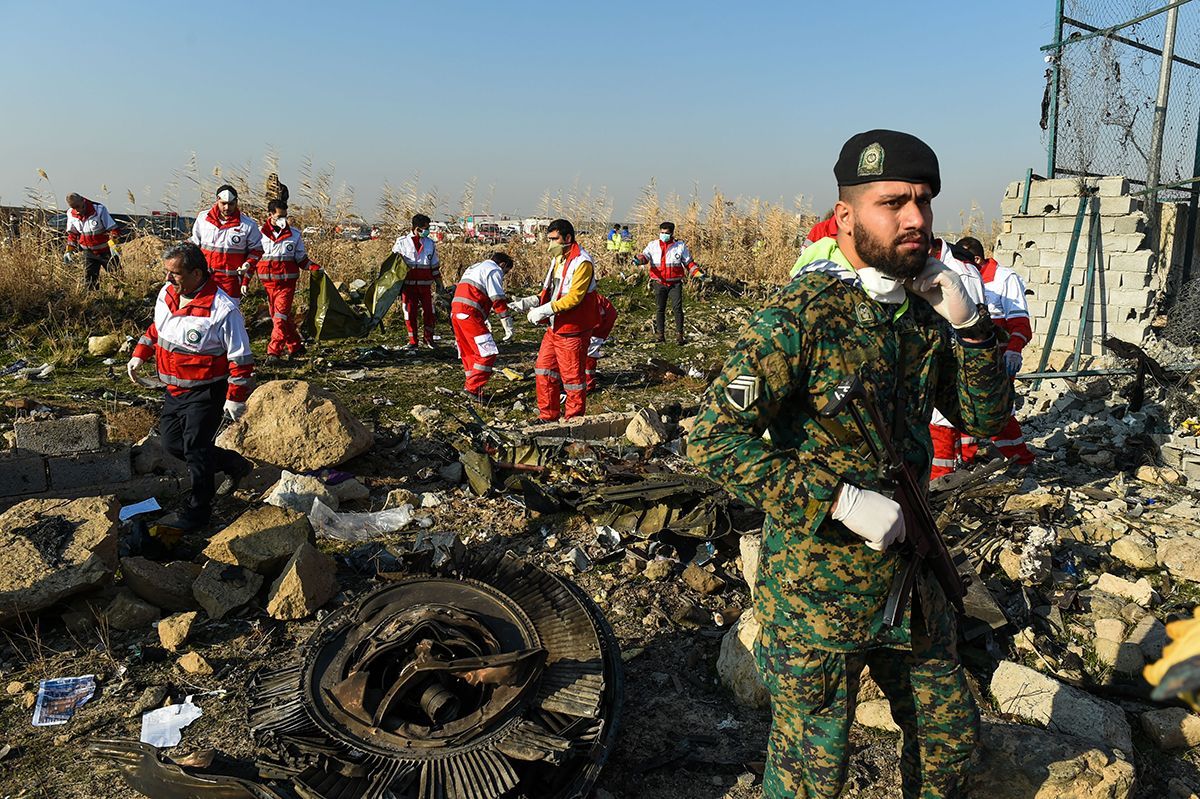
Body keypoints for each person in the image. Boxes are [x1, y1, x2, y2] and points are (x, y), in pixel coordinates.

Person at [687, 130, 1012, 799]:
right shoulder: (799, 319)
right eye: (893, 203)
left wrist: (975, 327)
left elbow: (982, 419)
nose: (917, 217)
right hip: (816, 592)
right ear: (846, 219)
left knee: (949, 735)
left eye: (924, 201)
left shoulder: (924, 318)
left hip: (911, 577)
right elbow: (714, 438)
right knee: (813, 772)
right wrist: (836, 498)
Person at [128, 242, 254, 531]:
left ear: (197, 273)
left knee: (196, 449)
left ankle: (199, 512)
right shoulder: (168, 293)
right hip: (173, 389)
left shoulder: (223, 310)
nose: (168, 279)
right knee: (174, 444)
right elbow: (157, 328)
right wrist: (140, 354)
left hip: (206, 391)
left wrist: (235, 397)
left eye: (175, 273)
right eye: (167, 273)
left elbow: (241, 358)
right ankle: (234, 465)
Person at [956, 235, 1036, 468]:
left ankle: (1020, 460)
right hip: (971, 359)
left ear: (977, 259)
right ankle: (966, 459)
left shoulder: (1004, 279)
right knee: (965, 407)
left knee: (998, 412)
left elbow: (1020, 322)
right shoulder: (965, 278)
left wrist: (1014, 350)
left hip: (998, 360)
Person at [516, 218, 599, 421]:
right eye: (549, 239)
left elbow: (574, 297)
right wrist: (531, 302)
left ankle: (574, 420)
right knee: (544, 370)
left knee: (572, 380)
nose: (550, 244)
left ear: (567, 238)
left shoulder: (582, 262)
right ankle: (548, 416)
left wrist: (544, 310)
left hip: (573, 329)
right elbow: (553, 291)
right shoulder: (559, 260)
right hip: (555, 328)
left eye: (554, 239)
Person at [927, 238, 988, 479]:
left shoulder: (962, 272)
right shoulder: (938, 264)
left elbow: (972, 324)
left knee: (942, 422)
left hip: (957, 358)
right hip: (941, 355)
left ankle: (941, 477)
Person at [250, 199, 320, 363]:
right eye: (280, 216)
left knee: (279, 318)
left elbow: (301, 259)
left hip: (286, 286)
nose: (283, 220)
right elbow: (253, 257)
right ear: (270, 215)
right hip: (268, 286)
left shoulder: (294, 235)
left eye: (285, 216)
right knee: (282, 318)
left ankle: (273, 352)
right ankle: (296, 346)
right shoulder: (258, 235)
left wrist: (316, 268)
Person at [451, 252, 516, 399]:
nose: (503, 276)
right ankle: (471, 389)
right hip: (469, 314)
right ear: (503, 265)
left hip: (457, 313)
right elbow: (497, 298)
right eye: (505, 273)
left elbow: (477, 293)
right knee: (488, 353)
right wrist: (507, 324)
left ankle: (473, 388)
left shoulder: (475, 267)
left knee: (470, 353)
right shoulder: (494, 270)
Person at [632, 221, 704, 343]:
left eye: (666, 233)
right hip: (659, 283)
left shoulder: (680, 246)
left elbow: (689, 263)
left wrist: (698, 274)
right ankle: (660, 335)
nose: (663, 235)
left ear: (672, 233)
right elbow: (645, 256)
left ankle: (679, 335)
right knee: (660, 308)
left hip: (675, 284)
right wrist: (638, 260)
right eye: (661, 232)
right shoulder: (653, 245)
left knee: (677, 308)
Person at [190, 185, 263, 302]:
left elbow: (257, 250)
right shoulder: (203, 219)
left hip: (230, 280)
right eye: (223, 203)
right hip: (204, 278)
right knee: (202, 313)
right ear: (217, 200)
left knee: (229, 314)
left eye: (231, 204)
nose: (227, 207)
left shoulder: (247, 225)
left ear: (236, 202)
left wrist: (248, 264)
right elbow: (194, 244)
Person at [392, 213, 443, 349]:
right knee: (410, 313)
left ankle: (429, 339)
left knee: (429, 313)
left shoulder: (430, 244)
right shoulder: (401, 243)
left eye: (427, 228)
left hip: (425, 286)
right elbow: (394, 266)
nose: (425, 231)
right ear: (414, 228)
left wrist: (439, 283)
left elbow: (434, 266)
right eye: (423, 228)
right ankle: (413, 341)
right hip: (408, 287)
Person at [64, 193, 119, 290]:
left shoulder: (99, 210)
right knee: (89, 282)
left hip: (106, 252)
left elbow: (113, 230)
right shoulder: (70, 213)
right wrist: (69, 250)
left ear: (82, 200)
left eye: (78, 206)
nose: (77, 210)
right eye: (73, 208)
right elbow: (73, 234)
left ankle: (123, 300)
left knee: (117, 277)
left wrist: (113, 245)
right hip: (88, 253)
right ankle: (94, 301)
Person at [586, 293, 617, 392]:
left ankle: (589, 385)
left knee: (590, 351)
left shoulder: (591, 302)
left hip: (601, 322)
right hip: (599, 318)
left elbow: (598, 318)